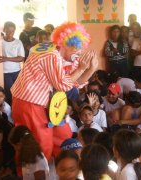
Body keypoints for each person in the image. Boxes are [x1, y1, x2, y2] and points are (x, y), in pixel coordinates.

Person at [11, 22, 98, 159]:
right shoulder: (50, 54)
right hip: (30, 102)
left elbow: (73, 83)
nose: (79, 52)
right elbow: (63, 85)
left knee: (63, 136)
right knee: (40, 145)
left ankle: (62, 168)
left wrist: (91, 69)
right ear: (65, 44)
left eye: (80, 48)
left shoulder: (64, 55)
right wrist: (82, 68)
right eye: (76, 48)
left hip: (48, 103)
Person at [0, 21, 25, 105]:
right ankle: (10, 108)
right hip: (5, 72)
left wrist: (7, 58)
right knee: (8, 92)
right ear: (4, 30)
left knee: (18, 91)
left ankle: (17, 107)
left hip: (16, 71)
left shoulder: (18, 42)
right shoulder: (0, 42)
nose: (10, 33)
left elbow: (21, 58)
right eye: (8, 31)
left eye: (12, 31)